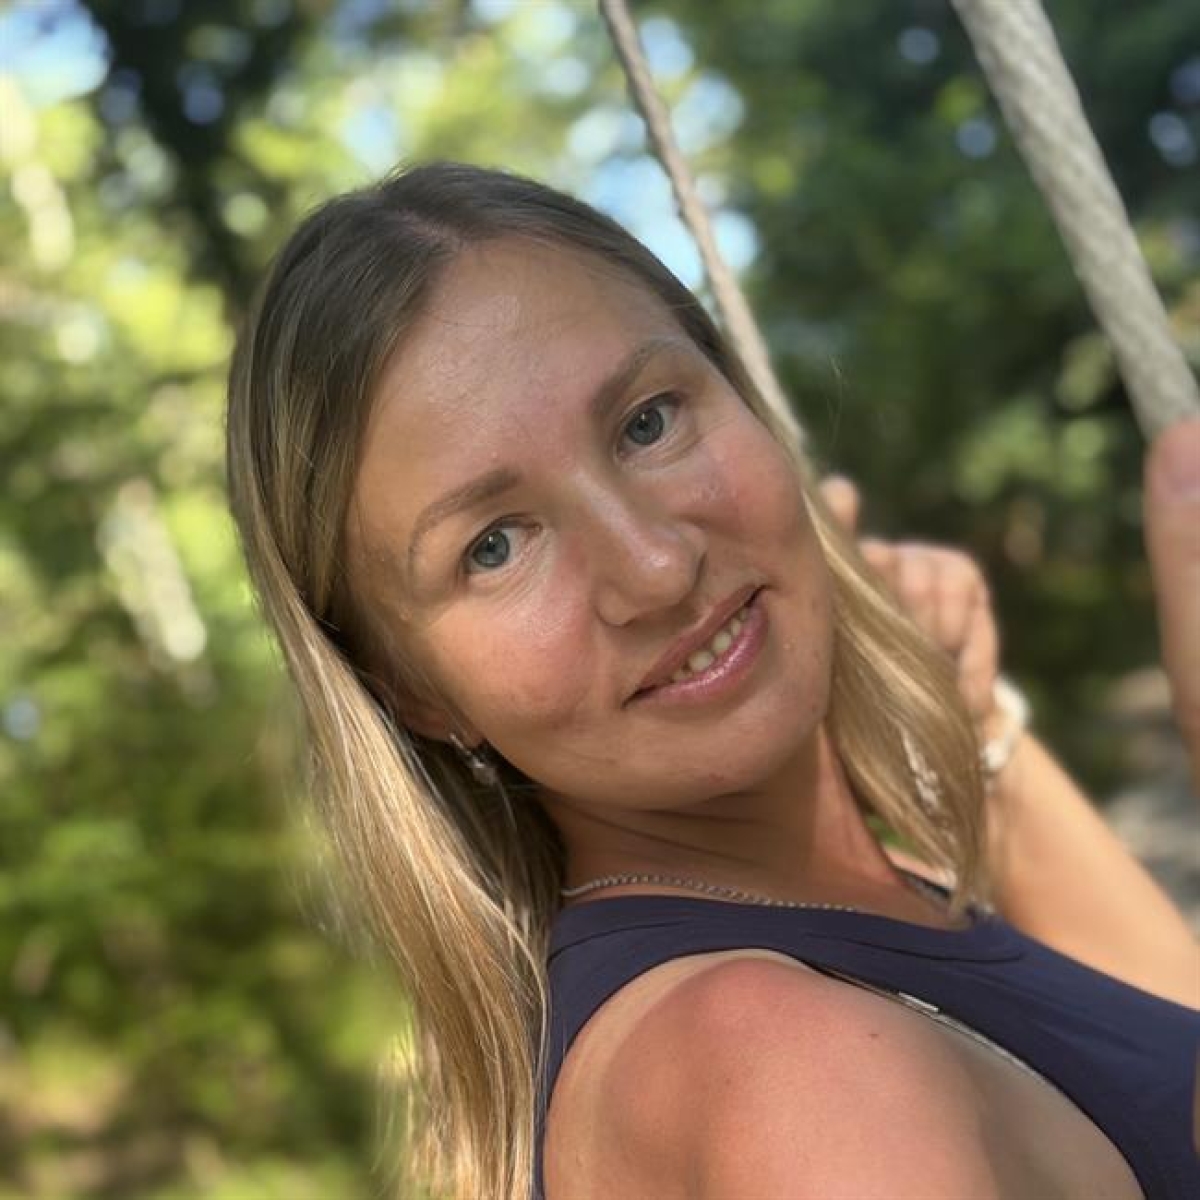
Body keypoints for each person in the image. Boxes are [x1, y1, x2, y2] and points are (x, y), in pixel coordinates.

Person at [225, 161, 1199, 1200]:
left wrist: (968, 720)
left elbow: (1154, 1072)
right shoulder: (783, 1068)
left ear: (744, 398)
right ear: (411, 691)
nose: (653, 567)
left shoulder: (841, 921)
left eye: (647, 422)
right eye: (496, 546)